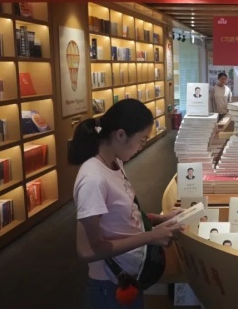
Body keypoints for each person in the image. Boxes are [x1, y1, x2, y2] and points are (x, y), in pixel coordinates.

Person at [70, 99, 186, 309]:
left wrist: (158, 219)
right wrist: (151, 236)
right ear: (121, 135)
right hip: (109, 285)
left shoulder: (115, 162)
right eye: (141, 140)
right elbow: (88, 251)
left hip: (128, 276)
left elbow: (121, 215)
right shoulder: (93, 180)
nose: (141, 146)